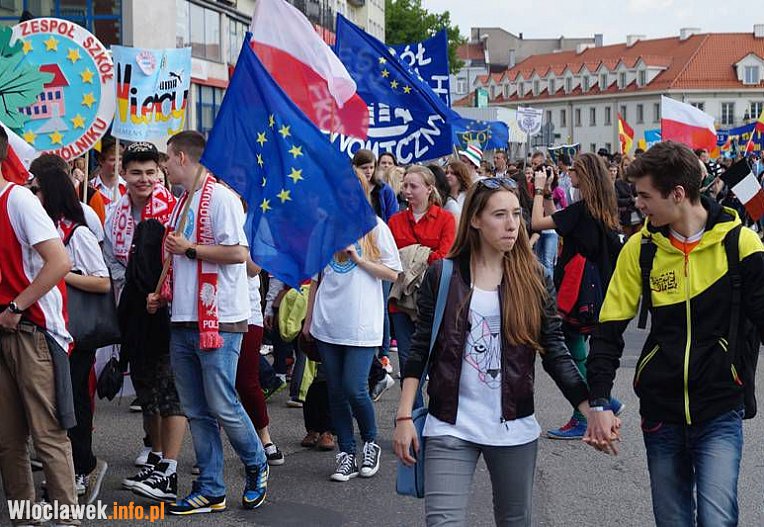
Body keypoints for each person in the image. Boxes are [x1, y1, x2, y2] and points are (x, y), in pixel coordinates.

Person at [393, 177, 601, 527]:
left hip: (513, 428)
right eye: (500, 214)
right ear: (475, 219)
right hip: (449, 425)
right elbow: (420, 350)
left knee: (514, 520)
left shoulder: (533, 277)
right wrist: (403, 417)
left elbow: (555, 351)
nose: (512, 224)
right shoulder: (443, 275)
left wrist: (589, 408)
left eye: (517, 214)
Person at [585, 141, 764, 526]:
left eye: (645, 196)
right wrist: (598, 401)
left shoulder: (741, 244)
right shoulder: (640, 249)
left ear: (678, 193)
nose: (638, 204)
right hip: (661, 412)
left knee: (717, 520)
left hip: (720, 408)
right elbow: (607, 330)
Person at [147, 131, 269, 514]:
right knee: (196, 408)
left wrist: (191, 249)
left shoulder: (221, 198)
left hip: (220, 319)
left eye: (167, 159)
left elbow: (239, 254)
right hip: (183, 317)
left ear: (182, 157)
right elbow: (177, 257)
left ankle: (257, 463)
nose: (165, 167)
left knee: (222, 402)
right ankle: (211, 487)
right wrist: (163, 292)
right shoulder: (182, 202)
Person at [0, 126, 80, 525]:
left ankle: (67, 518)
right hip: (7, 328)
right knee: (8, 439)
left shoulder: (19, 200)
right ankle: (25, 517)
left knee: (47, 435)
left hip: (31, 330)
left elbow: (60, 262)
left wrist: (17, 305)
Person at [303, 170, 402, 482]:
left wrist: (360, 261)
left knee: (354, 387)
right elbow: (316, 280)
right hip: (327, 323)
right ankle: (346, 452)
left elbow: (393, 273)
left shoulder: (375, 227)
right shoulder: (323, 228)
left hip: (361, 324)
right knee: (335, 391)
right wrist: (308, 320)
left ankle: (370, 442)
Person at [29, 159, 111, 505]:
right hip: (50, 326)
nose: (31, 194)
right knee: (54, 404)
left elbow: (102, 282)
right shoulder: (43, 230)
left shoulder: (78, 233)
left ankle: (84, 466)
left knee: (73, 400)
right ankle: (65, 471)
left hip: (76, 330)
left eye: (36, 189)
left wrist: (63, 273)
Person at [107, 143, 185, 504]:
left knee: (169, 389)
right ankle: (155, 455)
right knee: (146, 388)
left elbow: (182, 261)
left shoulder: (174, 210)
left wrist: (162, 292)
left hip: (168, 309)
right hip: (133, 309)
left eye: (150, 172)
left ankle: (169, 466)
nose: (144, 179)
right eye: (136, 172)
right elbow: (111, 261)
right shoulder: (114, 213)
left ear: (160, 172)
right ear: (124, 174)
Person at [531, 153, 624, 439]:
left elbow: (537, 222)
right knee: (574, 346)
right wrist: (549, 193)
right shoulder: (601, 208)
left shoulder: (582, 211)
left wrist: (537, 189)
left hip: (577, 292)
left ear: (584, 175)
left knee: (568, 350)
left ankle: (586, 413)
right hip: (595, 290)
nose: (569, 173)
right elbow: (556, 220)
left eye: (573, 170)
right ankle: (603, 402)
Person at [388, 165, 456, 380]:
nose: (407, 191)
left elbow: (444, 256)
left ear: (429, 189)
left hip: (433, 298)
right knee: (407, 359)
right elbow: (390, 259)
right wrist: (424, 254)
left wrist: (411, 255)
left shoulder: (446, 219)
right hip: (401, 299)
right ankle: (413, 401)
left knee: (434, 359)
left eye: (413, 186)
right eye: (405, 185)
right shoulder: (395, 221)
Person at [236, 258, 285, 466]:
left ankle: (265, 438)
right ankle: (211, 450)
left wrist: (233, 248)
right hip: (209, 310)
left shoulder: (250, 234)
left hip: (247, 312)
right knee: (215, 385)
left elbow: (254, 268)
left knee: (247, 381)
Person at [92, 136, 126, 217]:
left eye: (120, 159)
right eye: (112, 160)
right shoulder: (89, 189)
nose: (117, 164)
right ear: (101, 160)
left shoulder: (128, 188)